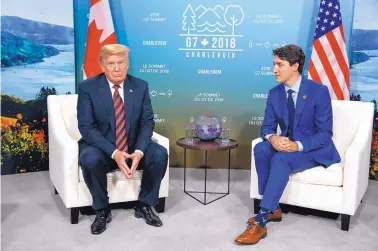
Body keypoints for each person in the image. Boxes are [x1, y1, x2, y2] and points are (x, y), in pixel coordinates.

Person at [235, 44, 341, 245]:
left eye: (279, 64)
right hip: (286, 144)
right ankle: (273, 208)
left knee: (282, 157)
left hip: (312, 149)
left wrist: (298, 145)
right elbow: (266, 128)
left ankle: (261, 219)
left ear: (295, 66)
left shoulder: (318, 91)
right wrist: (272, 138)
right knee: (261, 148)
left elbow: (325, 134)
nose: (274, 69)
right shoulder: (274, 93)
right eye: (274, 64)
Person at [77, 44, 168, 235]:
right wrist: (114, 152)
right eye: (111, 63)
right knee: (89, 158)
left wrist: (139, 151)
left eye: (121, 63)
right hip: (103, 147)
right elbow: (87, 128)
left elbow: (146, 122)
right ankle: (102, 210)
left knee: (159, 154)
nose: (117, 68)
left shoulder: (140, 86)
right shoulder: (88, 88)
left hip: (133, 144)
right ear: (102, 66)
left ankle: (144, 204)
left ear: (127, 65)